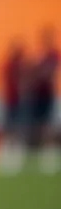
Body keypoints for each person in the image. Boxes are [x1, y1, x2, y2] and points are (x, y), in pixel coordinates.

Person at [28, 25, 58, 173]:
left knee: (47, 124)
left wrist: (39, 72)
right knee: (38, 124)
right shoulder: (38, 55)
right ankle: (39, 153)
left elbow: (48, 73)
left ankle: (49, 154)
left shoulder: (53, 54)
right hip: (37, 94)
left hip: (47, 93)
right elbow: (32, 71)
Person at [0, 38, 28, 172]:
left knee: (17, 127)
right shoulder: (8, 64)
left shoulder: (21, 65)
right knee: (8, 126)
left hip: (18, 100)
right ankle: (7, 153)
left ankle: (17, 154)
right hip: (9, 100)